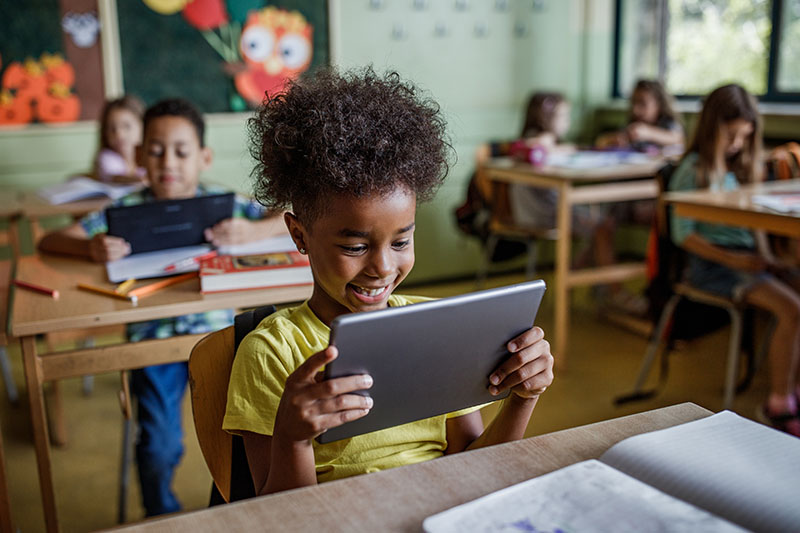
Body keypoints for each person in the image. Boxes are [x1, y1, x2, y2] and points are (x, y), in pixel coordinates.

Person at [222, 68, 555, 495]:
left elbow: (475, 468)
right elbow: (277, 516)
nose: (382, 267)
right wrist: (293, 438)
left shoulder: (434, 326)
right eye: (355, 247)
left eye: (401, 241)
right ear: (299, 235)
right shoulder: (271, 352)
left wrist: (523, 397)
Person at [39, 98, 288, 514]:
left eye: (181, 150)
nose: (167, 161)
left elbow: (287, 218)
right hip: (152, 344)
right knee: (158, 447)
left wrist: (252, 231)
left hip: (221, 341)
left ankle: (235, 514)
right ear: (138, 156)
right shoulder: (123, 211)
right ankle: (161, 515)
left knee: (248, 438)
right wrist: (92, 247)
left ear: (203, 157)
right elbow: (51, 240)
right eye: (155, 150)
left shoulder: (224, 202)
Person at [669, 84, 800, 437]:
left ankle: (790, 386)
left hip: (748, 260)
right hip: (713, 267)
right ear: (712, 127)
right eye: (732, 136)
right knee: (792, 310)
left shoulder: (740, 168)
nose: (738, 145)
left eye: (744, 137)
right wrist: (735, 261)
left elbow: (755, 224)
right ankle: (778, 403)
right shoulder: (693, 169)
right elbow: (684, 235)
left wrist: (769, 258)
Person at [596, 79, 684, 154]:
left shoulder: (667, 122)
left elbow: (678, 139)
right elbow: (601, 141)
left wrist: (649, 133)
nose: (635, 109)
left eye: (643, 103)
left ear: (659, 104)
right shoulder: (633, 123)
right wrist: (616, 140)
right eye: (633, 102)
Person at [93, 96, 148, 184]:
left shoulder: (150, 157)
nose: (119, 134)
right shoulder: (107, 157)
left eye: (127, 126)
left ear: (143, 126)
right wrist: (141, 180)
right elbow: (113, 177)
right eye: (112, 128)